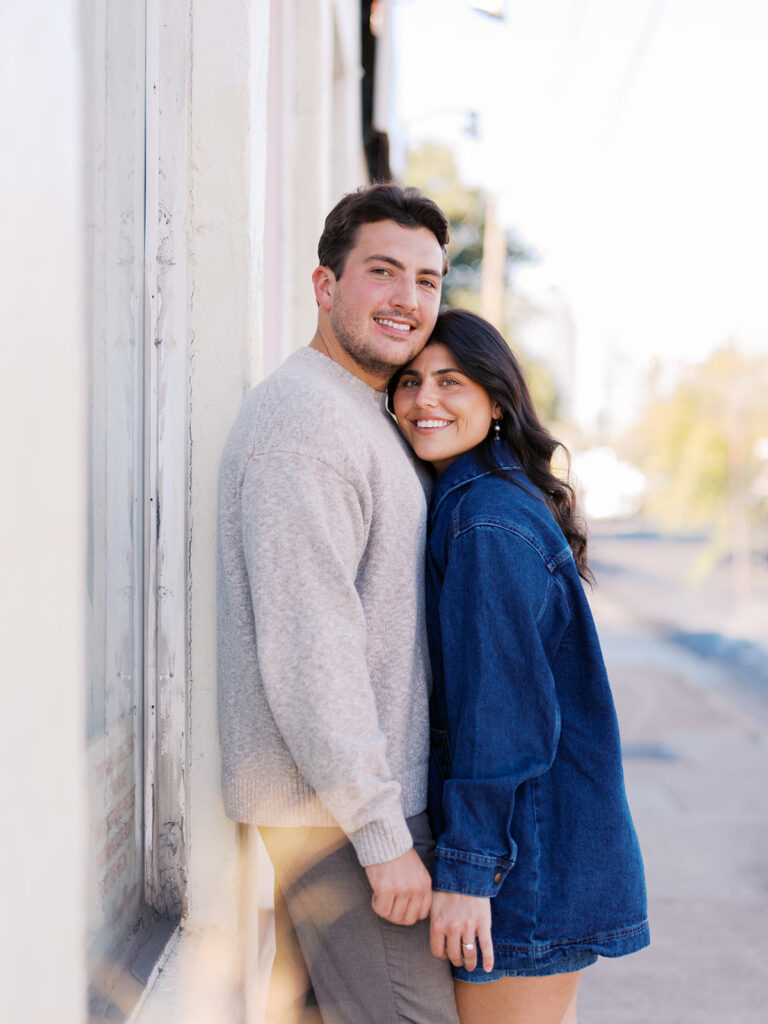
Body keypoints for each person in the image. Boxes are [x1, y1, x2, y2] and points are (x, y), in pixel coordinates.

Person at [217, 183, 460, 1024]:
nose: (408, 299)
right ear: (326, 287)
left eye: (427, 280)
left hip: (346, 811)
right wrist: (382, 835)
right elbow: (310, 647)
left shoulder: (363, 413)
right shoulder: (307, 426)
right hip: (340, 825)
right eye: (383, 272)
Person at [389, 308, 650, 1024]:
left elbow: (503, 713)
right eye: (409, 381)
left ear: (497, 400)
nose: (424, 401)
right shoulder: (480, 499)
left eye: (451, 381)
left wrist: (470, 876)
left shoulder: (486, 524)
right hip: (535, 851)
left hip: (521, 864)